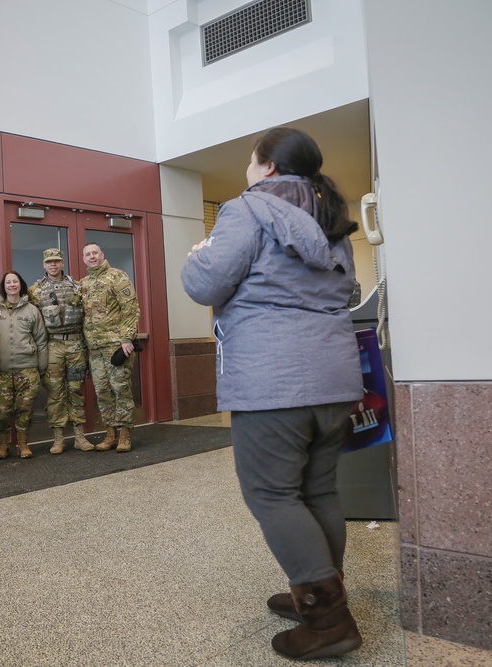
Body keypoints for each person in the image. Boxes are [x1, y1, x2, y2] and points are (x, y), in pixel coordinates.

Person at [181, 126, 364, 660]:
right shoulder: (331, 216)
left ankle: (328, 622)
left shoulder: (246, 209)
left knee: (272, 494)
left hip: (273, 380)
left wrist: (199, 253)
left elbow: (206, 285)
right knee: (318, 491)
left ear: (266, 166)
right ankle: (317, 593)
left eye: (248, 160)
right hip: (333, 378)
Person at [28, 248, 93, 454]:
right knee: (55, 391)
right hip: (53, 346)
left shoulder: (77, 286)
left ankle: (79, 437)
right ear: (44, 265)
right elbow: (32, 322)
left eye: (57, 261)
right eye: (49, 262)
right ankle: (58, 439)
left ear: (62, 263)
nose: (53, 265)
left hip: (75, 345)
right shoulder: (35, 291)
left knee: (75, 389)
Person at [80, 242, 140, 452]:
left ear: (102, 254)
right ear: (84, 259)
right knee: (102, 391)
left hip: (116, 346)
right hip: (95, 348)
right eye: (88, 254)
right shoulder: (84, 283)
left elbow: (131, 309)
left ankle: (125, 434)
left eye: (95, 252)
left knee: (120, 388)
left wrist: (126, 338)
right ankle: (110, 433)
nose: (92, 256)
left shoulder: (117, 276)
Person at [0, 271, 48, 459]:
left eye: (15, 281)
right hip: (1, 371)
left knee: (25, 409)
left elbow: (41, 340)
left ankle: (23, 444)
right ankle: (3, 445)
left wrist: (42, 367)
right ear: (3, 286)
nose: (12, 285)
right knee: (2, 411)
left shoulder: (32, 311)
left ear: (20, 285)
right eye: (8, 282)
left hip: (27, 369)